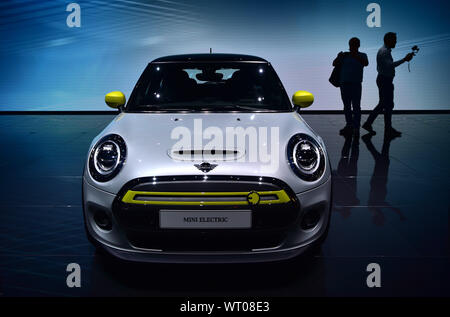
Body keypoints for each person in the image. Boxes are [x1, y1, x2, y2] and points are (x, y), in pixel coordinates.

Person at [362, 32, 414, 136]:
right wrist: (404, 59)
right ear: (388, 40)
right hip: (385, 80)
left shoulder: (384, 51)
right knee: (386, 104)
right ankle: (382, 127)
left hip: (384, 80)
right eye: (394, 39)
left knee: (385, 104)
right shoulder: (384, 52)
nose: (396, 42)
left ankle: (379, 126)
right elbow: (390, 66)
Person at [333, 37, 369, 136]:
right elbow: (334, 63)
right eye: (352, 44)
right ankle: (349, 125)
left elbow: (366, 63)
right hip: (344, 83)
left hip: (355, 83)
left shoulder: (362, 55)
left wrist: (353, 55)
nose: (353, 46)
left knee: (356, 106)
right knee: (347, 106)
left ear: (358, 45)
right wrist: (338, 57)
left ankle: (355, 127)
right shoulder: (345, 55)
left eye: (354, 44)